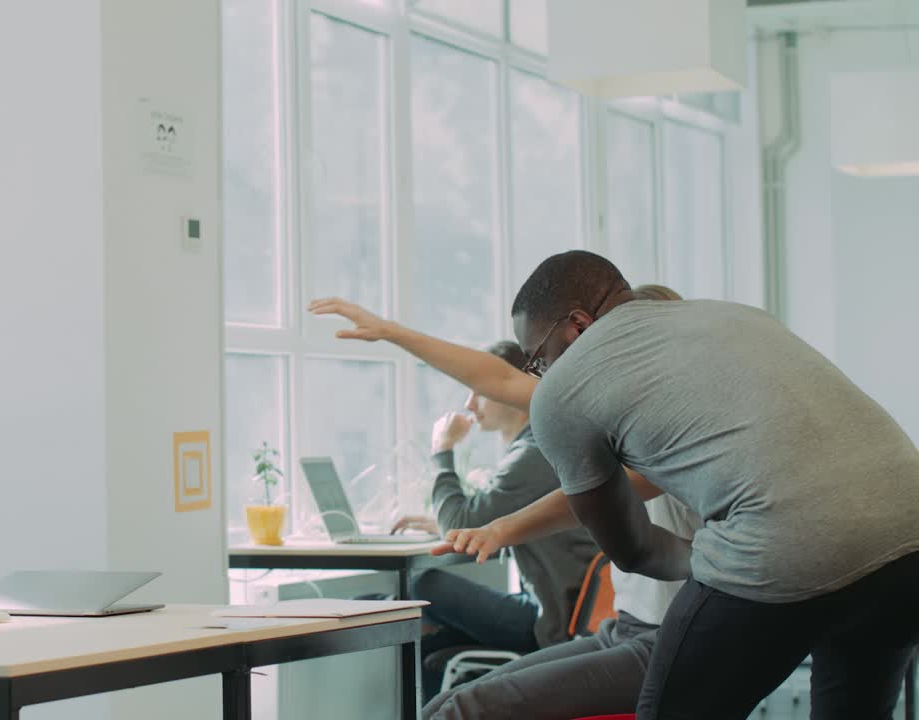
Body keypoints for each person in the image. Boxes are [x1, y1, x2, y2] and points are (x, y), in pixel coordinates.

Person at [498, 250, 919, 718]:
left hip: (787, 546)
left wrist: (700, 559)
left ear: (577, 325)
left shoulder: (564, 390)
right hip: (908, 536)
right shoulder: (733, 315)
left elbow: (634, 550)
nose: (544, 375)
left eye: (538, 359)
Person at [311, 285, 705, 720]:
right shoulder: (614, 411)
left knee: (461, 706)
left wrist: (500, 527)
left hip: (662, 640)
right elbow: (497, 378)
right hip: (622, 628)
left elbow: (594, 496)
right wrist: (391, 332)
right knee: (443, 702)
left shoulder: (681, 426)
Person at [394, 341, 598, 702]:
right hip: (558, 609)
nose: (471, 405)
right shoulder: (540, 445)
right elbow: (480, 519)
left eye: (480, 391)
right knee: (432, 652)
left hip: (548, 619)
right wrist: (438, 523)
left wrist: (442, 450)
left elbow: (457, 521)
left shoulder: (534, 454)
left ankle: (374, 606)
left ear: (510, 386)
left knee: (423, 585)